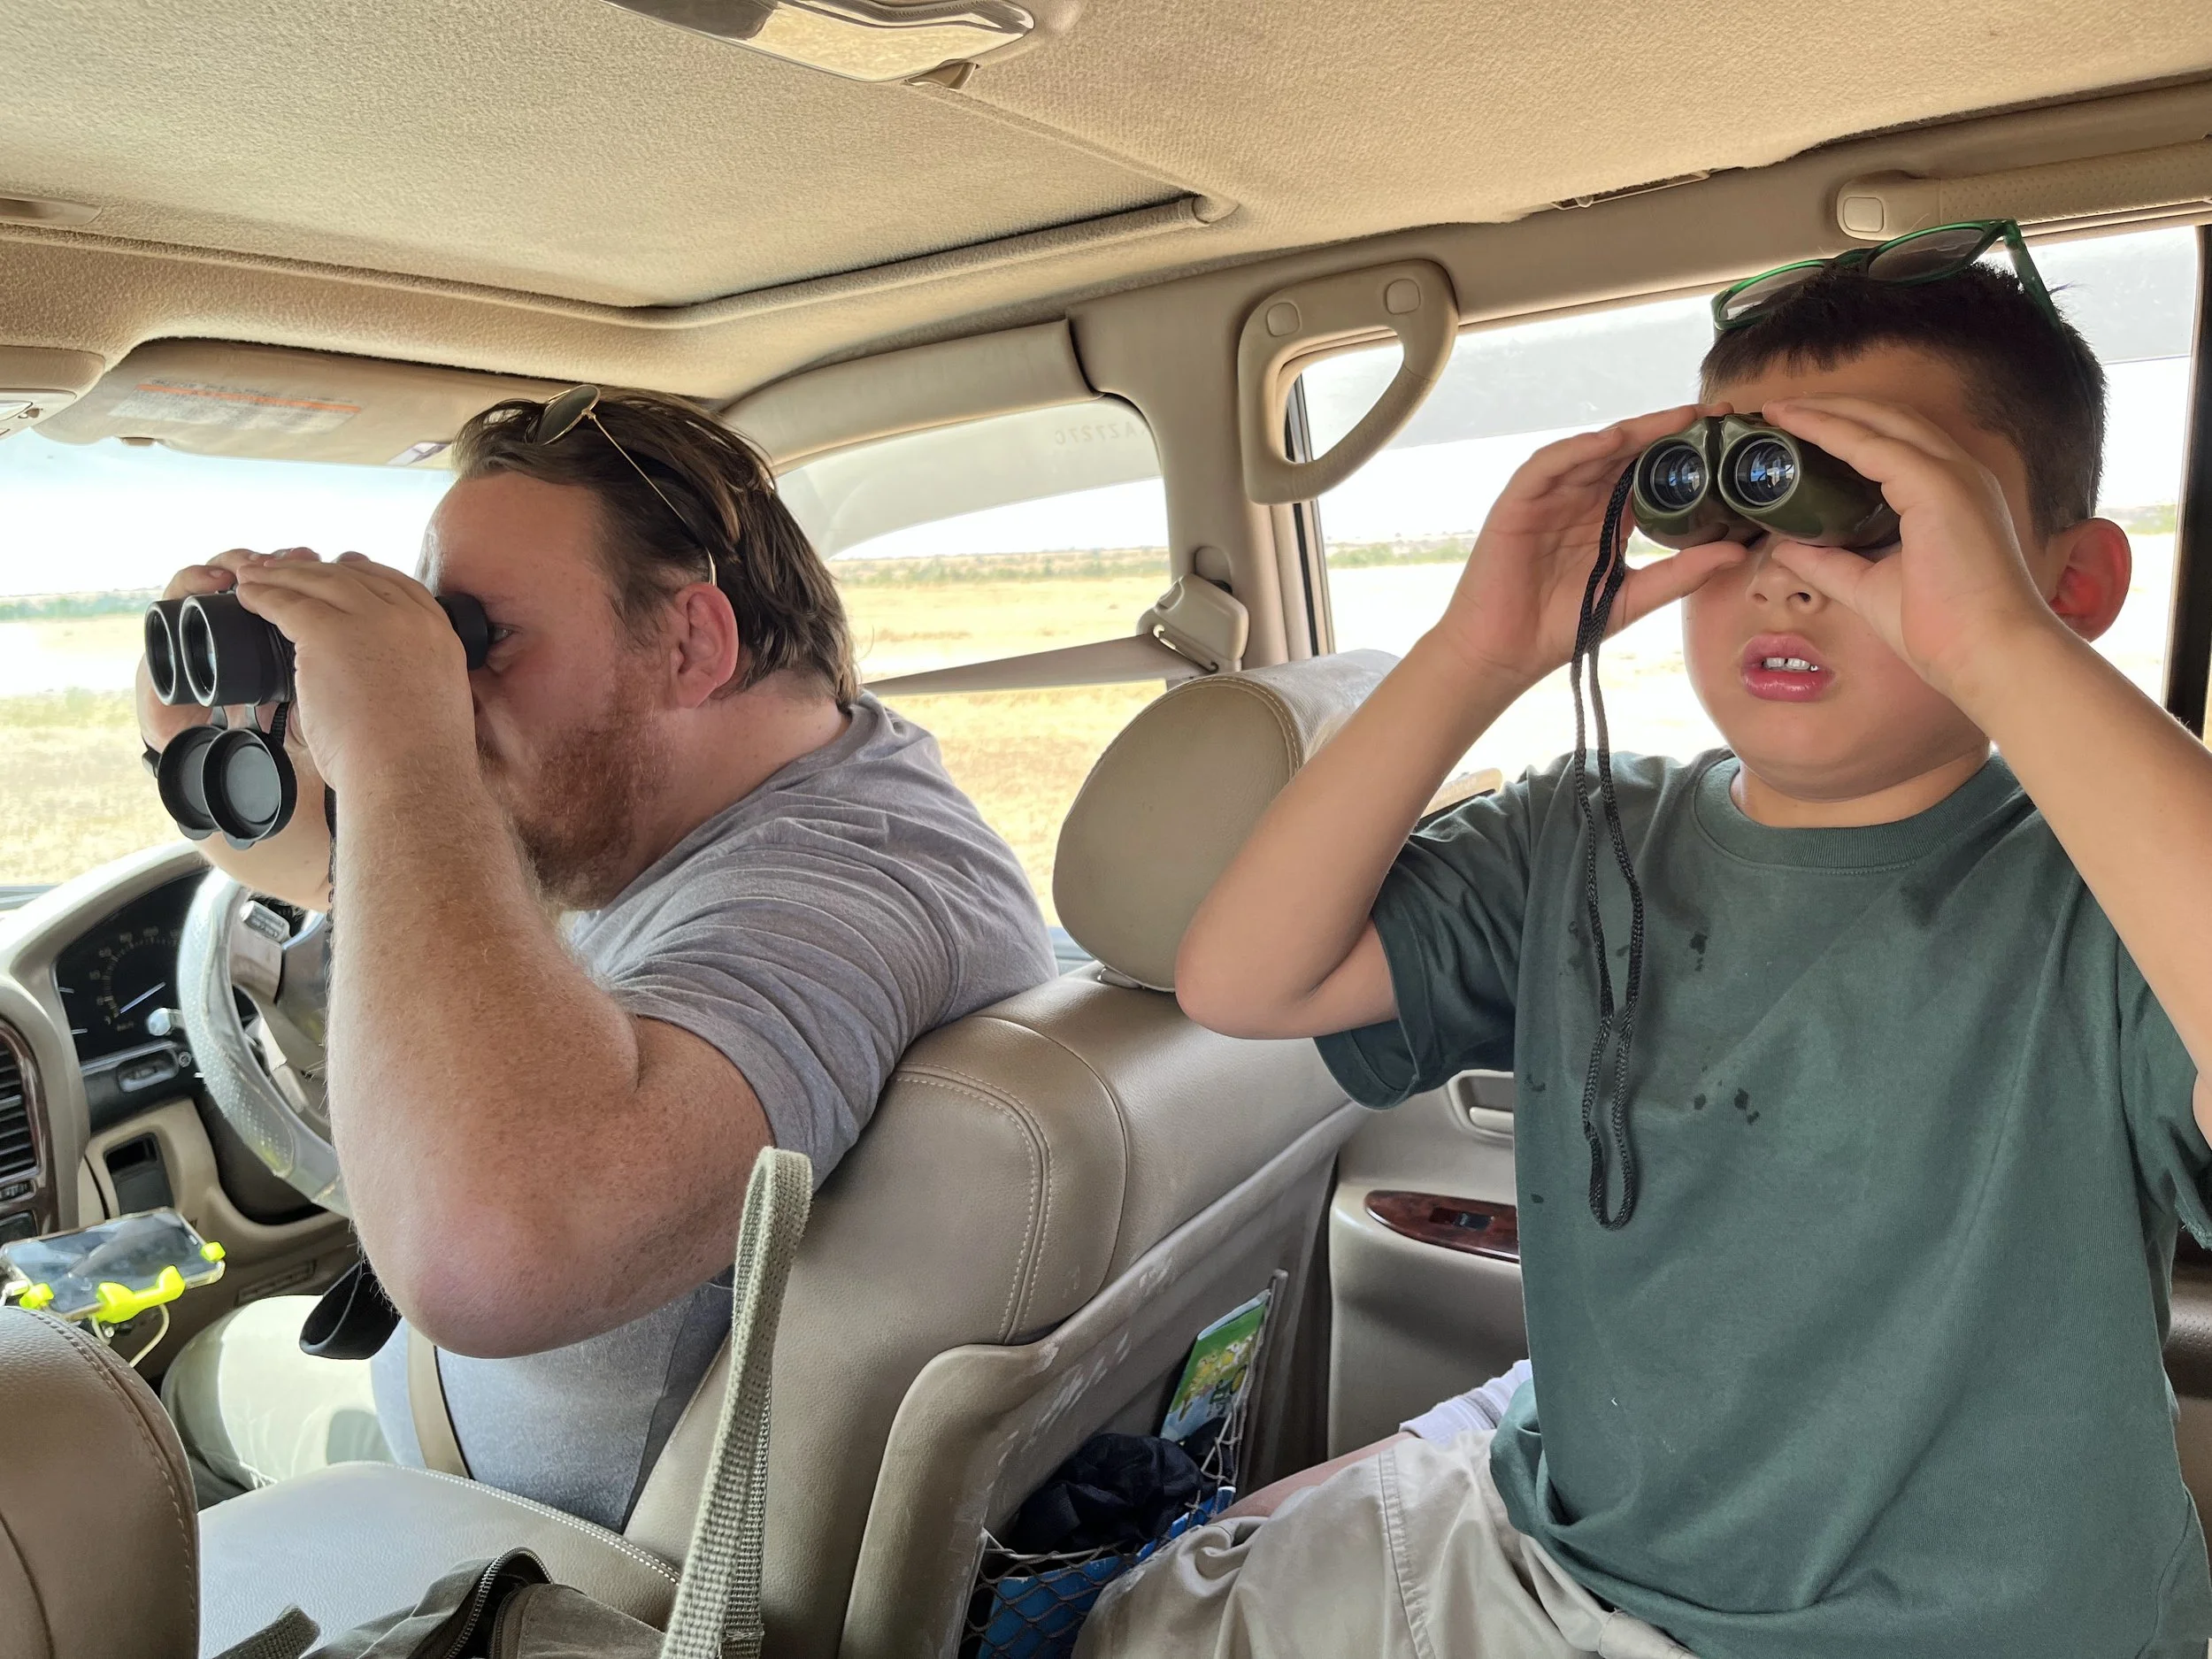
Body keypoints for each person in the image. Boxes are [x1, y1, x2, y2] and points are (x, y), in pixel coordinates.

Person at [1082, 237, 2212, 1656]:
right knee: (1140, 1623)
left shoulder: (2113, 891)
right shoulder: (1585, 830)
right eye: (1739, 508)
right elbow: (1248, 979)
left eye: (1875, 517)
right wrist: (1479, 651)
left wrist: (2004, 643)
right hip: (1575, 1545)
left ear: (2072, 580)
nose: (1787, 580)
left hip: (1967, 1628)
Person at [149, 389, 1056, 1525]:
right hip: (512, 1463)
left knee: (188, 1375)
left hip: (536, 1542)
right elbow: (353, 868)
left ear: (690, 643)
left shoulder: (845, 893)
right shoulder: (727, 803)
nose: (454, 696)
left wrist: (404, 743)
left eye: (477, 640)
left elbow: (489, 1260)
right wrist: (200, 721)